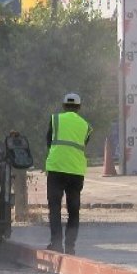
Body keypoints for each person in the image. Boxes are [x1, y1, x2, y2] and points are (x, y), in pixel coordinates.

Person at [45, 92, 91, 254]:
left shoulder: (55, 120)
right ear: (79, 107)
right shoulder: (86, 126)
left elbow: (48, 141)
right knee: (73, 209)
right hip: (76, 172)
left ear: (64, 106)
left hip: (56, 169)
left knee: (55, 207)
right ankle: (70, 247)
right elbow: (83, 143)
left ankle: (56, 243)